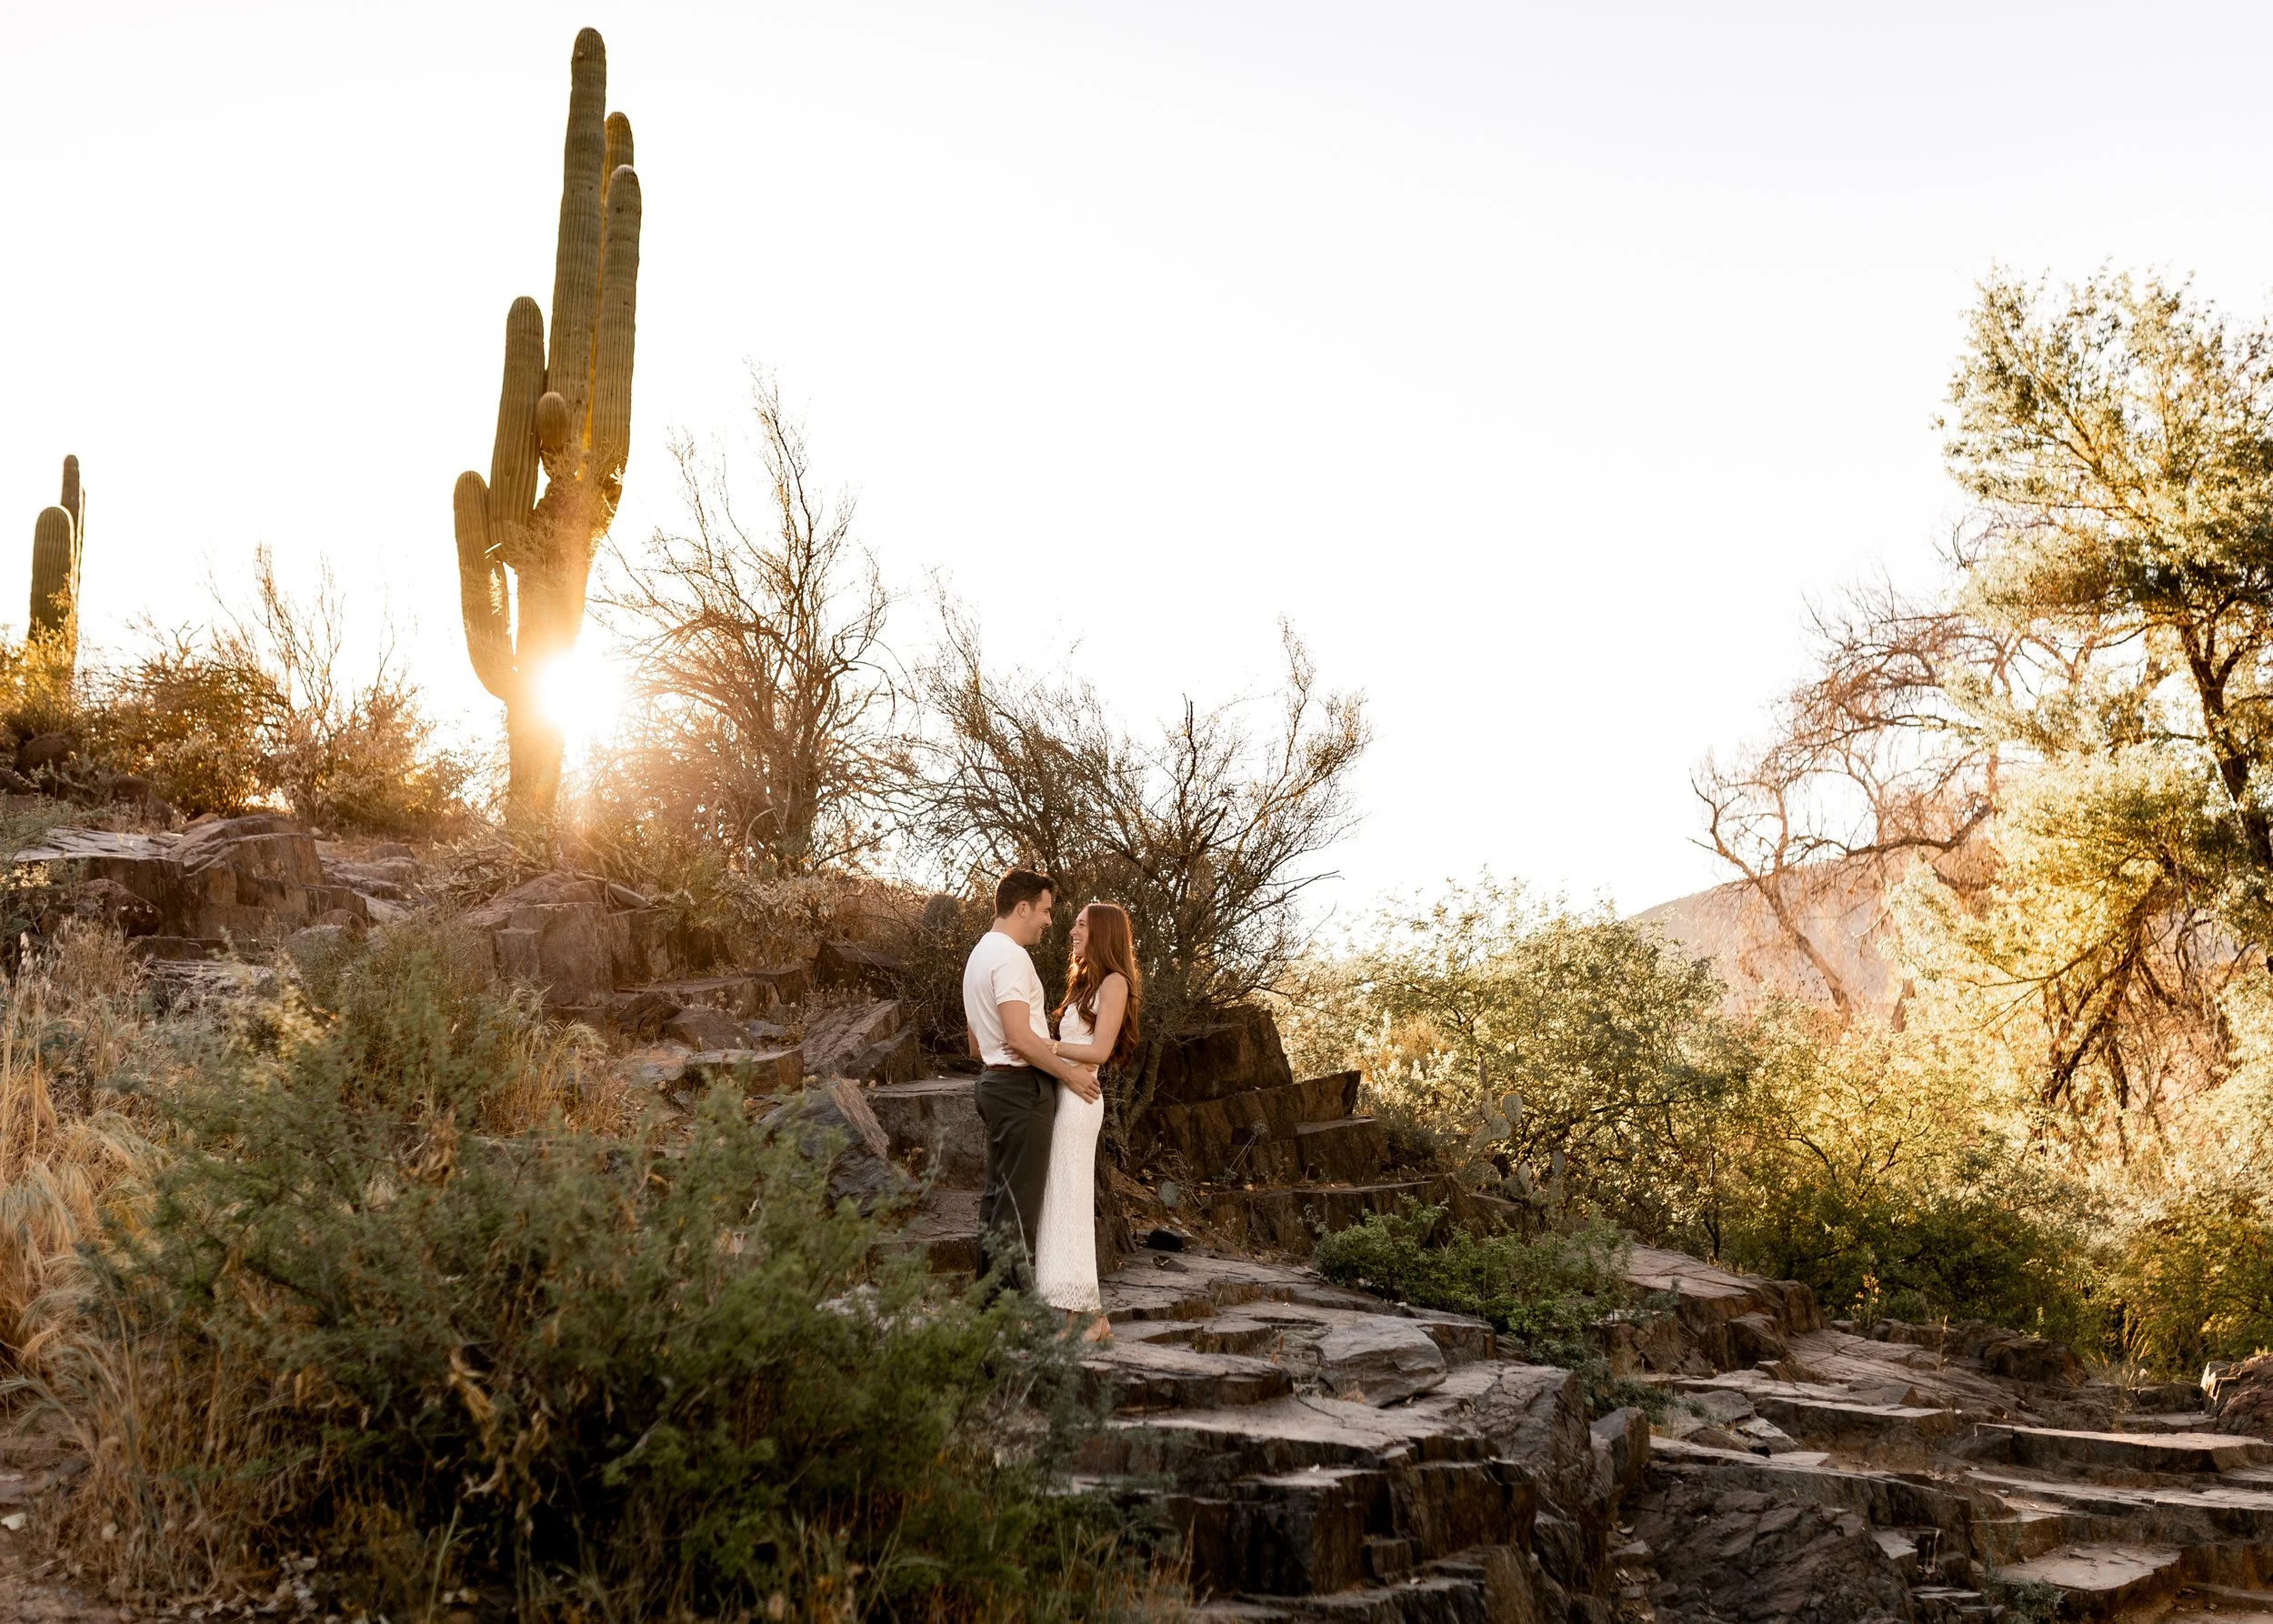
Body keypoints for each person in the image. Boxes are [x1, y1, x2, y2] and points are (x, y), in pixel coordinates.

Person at [962, 867, 1099, 1293]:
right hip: (1021, 1090)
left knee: (996, 1201)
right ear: (1022, 908)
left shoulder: (979, 955)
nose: (1048, 920)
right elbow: (1020, 1037)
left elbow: (974, 1044)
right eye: (1045, 910)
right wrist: (1069, 1074)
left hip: (992, 1082)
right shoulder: (1011, 957)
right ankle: (1012, 1311)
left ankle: (988, 1305)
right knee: (1018, 1206)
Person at [1035, 901, 1141, 1343]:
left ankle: (1090, 1316)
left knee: (1069, 1203)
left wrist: (1049, 1047)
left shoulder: (1115, 983)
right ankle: (1070, 1314)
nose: (1072, 931)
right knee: (1057, 1202)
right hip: (1065, 1090)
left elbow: (1098, 1051)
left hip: (1081, 1099)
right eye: (1075, 924)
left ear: (1102, 933)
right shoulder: (1084, 982)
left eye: (1081, 925)